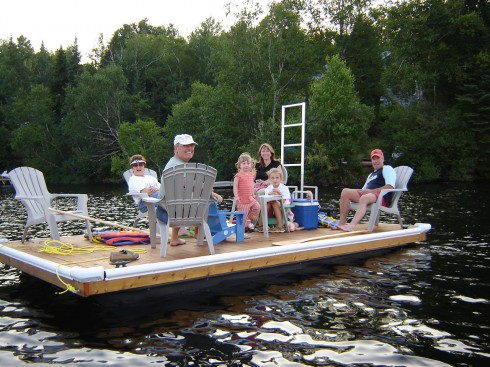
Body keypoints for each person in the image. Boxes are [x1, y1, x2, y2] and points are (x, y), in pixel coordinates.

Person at [157, 134, 223, 246]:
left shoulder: (172, 163)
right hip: (172, 213)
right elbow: (188, 184)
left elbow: (187, 184)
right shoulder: (180, 167)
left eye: (192, 145)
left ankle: (175, 238)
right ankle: (212, 233)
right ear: (176, 148)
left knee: (189, 200)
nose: (190, 148)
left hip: (170, 211)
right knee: (209, 201)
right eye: (185, 145)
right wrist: (210, 192)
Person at [333, 149, 396, 232]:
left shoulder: (387, 169)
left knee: (364, 197)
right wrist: (359, 192)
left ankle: (351, 225)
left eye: (378, 158)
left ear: (383, 159)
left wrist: (371, 191)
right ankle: (341, 223)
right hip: (369, 195)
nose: (376, 161)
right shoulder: (371, 174)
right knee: (345, 192)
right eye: (374, 159)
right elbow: (363, 190)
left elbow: (390, 187)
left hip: (381, 197)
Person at [233, 152, 261, 232]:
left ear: (251, 165)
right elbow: (235, 187)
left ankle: (249, 219)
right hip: (242, 200)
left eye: (248, 163)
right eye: (244, 163)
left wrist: (253, 193)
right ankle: (242, 232)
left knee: (257, 207)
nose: (246, 165)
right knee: (242, 218)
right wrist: (236, 197)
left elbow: (251, 185)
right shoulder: (238, 176)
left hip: (250, 198)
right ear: (239, 165)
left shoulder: (251, 175)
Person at [263, 167, 290, 232]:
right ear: (269, 179)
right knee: (268, 203)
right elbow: (266, 203)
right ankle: (261, 226)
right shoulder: (268, 189)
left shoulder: (284, 188)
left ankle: (280, 226)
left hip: (283, 210)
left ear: (281, 179)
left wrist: (278, 195)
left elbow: (282, 204)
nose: (275, 180)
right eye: (272, 178)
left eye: (277, 178)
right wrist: (269, 195)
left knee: (274, 202)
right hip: (271, 210)